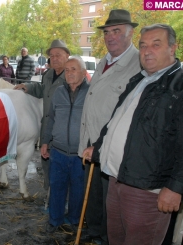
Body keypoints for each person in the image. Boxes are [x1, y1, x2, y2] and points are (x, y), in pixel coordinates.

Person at [83, 23, 183, 244]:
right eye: (143, 45)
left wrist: (176, 187)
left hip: (147, 189)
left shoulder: (178, 84)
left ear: (173, 47)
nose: (147, 51)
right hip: (116, 180)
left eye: (156, 45)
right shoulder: (140, 80)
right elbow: (115, 122)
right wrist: (98, 148)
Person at [78, 9, 141, 245]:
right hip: (90, 142)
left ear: (130, 33)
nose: (110, 36)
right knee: (92, 195)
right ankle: (94, 233)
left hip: (112, 147)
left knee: (110, 200)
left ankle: (106, 238)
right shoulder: (105, 59)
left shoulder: (137, 63)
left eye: (116, 31)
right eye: (107, 32)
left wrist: (100, 143)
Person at [14, 40, 70, 191]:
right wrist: (28, 86)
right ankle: (50, 197)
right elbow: (43, 89)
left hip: (64, 131)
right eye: (52, 56)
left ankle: (62, 202)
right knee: (47, 165)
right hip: (47, 127)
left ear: (67, 55)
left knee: (63, 169)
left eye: (58, 55)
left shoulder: (72, 76)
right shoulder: (48, 74)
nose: (54, 58)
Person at [41, 56, 89, 233]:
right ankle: (55, 220)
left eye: (73, 69)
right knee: (57, 188)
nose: (69, 73)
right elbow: (51, 119)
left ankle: (74, 220)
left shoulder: (91, 93)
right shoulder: (59, 92)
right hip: (58, 151)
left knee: (78, 190)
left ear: (83, 73)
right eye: (67, 70)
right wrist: (45, 141)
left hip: (80, 153)